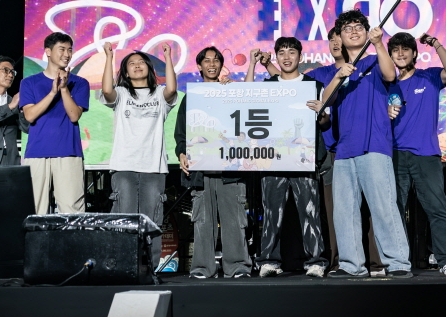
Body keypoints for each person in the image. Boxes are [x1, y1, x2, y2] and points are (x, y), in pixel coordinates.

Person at [319, 9, 411, 278]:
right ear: (339, 37)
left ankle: (398, 263)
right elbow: (325, 102)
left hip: (374, 146)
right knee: (344, 212)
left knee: (383, 207)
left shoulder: (373, 60)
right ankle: (351, 265)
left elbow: (390, 75)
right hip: (344, 149)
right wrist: (339, 76)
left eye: (359, 27)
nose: (354, 31)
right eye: (347, 28)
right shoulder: (338, 71)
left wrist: (379, 43)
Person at [305, 27, 387, 275]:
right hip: (336, 152)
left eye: (337, 39)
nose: (335, 43)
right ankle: (344, 263)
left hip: (369, 147)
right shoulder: (324, 73)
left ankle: (378, 263)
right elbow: (291, 80)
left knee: (375, 207)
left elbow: (390, 78)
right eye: (331, 40)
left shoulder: (370, 64)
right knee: (340, 211)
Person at [246, 36, 328, 278]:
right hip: (272, 159)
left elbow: (325, 122)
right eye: (281, 52)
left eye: (292, 52)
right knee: (271, 213)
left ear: (300, 57)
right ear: (276, 57)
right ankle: (269, 260)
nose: (287, 57)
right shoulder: (268, 84)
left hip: (304, 159)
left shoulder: (314, 85)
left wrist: (322, 113)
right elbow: (246, 97)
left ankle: (316, 261)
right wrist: (252, 63)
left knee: (310, 212)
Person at [387, 32, 446, 276]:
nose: (400, 53)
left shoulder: (429, 77)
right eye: (395, 50)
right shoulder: (387, 84)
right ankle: (398, 261)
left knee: (437, 208)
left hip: (426, 154)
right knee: (395, 210)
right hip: (395, 155)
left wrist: (436, 43)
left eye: (405, 49)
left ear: (414, 53)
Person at [174, 46, 251, 279]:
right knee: (203, 222)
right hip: (201, 172)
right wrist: (182, 153)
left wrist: (235, 92)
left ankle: (237, 267)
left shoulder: (231, 91)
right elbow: (181, 134)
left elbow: (245, 123)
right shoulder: (192, 97)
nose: (212, 64)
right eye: (206, 60)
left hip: (230, 170)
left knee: (234, 221)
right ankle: (202, 268)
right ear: (199, 66)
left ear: (221, 65)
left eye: (216, 60)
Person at [99, 41, 179, 267]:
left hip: (154, 167)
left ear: (149, 69)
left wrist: (168, 58)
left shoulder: (160, 93)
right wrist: (109, 57)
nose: (137, 65)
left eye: (141, 62)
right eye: (131, 63)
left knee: (151, 220)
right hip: (124, 166)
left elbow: (172, 89)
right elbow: (107, 91)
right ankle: (122, 265)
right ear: (125, 72)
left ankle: (149, 268)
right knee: (123, 218)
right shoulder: (122, 93)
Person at [20, 32, 90, 213]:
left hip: (68, 151)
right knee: (34, 209)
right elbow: (29, 116)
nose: (67, 54)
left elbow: (74, 116)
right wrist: (52, 93)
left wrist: (64, 89)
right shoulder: (29, 82)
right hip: (37, 152)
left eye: (70, 50)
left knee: (72, 210)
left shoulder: (80, 83)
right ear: (48, 52)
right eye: (62, 49)